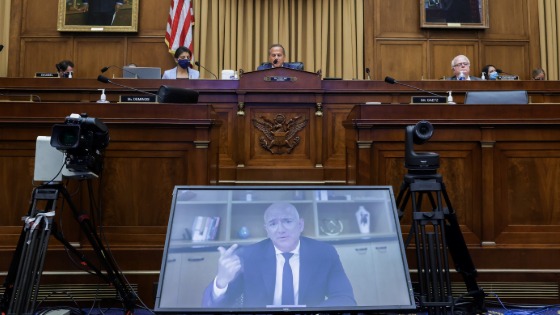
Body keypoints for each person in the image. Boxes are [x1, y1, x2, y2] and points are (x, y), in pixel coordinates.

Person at [202, 202, 356, 308]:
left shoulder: (324, 253)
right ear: (267, 230)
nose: (280, 230)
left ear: (300, 225)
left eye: (287, 221)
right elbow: (214, 306)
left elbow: (345, 299)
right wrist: (221, 281)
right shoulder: (248, 256)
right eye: (273, 224)